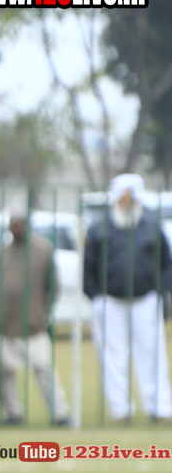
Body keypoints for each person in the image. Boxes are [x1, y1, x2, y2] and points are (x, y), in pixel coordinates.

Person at [84, 173, 172, 423]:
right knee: (113, 357)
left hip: (145, 299)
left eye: (130, 196)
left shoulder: (151, 225)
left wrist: (160, 290)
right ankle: (120, 409)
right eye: (122, 196)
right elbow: (88, 266)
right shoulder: (99, 227)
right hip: (110, 301)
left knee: (152, 353)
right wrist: (95, 295)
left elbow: (167, 263)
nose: (126, 201)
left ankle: (159, 408)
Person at [0, 212, 70, 425]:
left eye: (21, 223)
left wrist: (42, 310)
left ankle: (60, 414)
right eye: (14, 224)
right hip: (1, 323)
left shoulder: (43, 251)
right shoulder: (0, 252)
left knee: (44, 368)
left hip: (32, 324)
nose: (17, 227)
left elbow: (53, 285)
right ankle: (13, 412)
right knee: (5, 372)